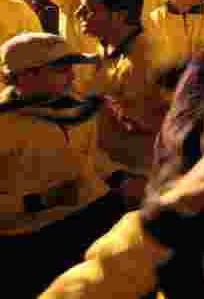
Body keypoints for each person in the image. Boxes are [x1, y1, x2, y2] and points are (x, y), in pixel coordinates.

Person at [0, 33, 125, 298]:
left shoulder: (76, 107)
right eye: (61, 69)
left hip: (90, 220)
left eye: (71, 67)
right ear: (25, 76)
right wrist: (41, 202)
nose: (71, 76)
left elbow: (92, 158)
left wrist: (119, 177)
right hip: (30, 244)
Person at [77, 0, 167, 180]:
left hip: (140, 179)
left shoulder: (148, 61)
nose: (78, 14)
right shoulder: (109, 47)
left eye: (88, 10)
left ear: (119, 15)